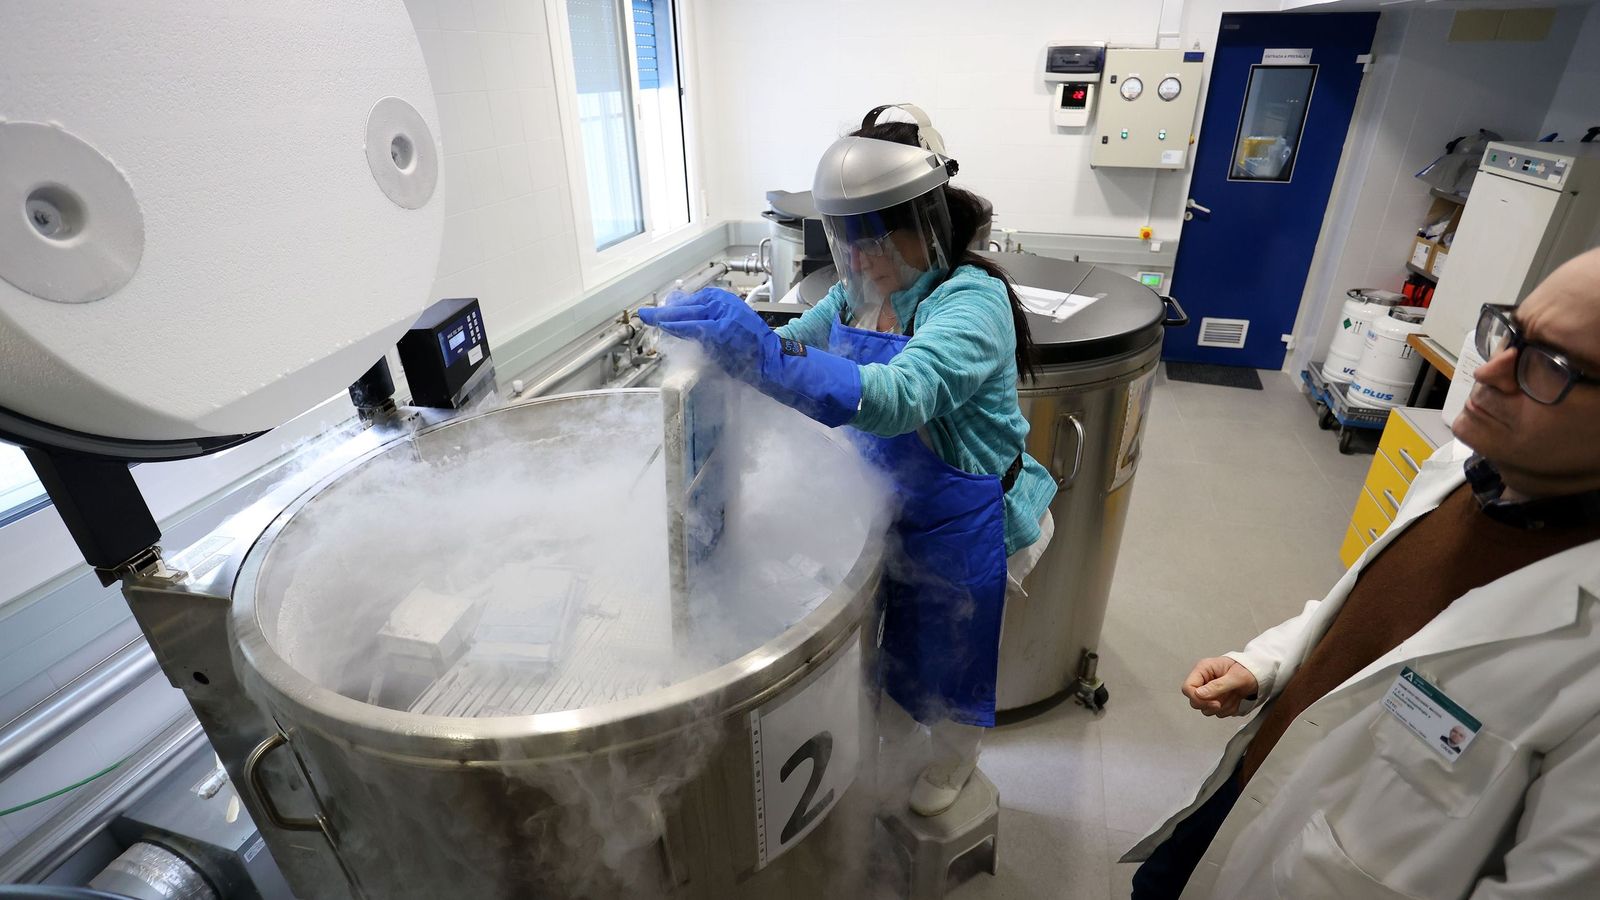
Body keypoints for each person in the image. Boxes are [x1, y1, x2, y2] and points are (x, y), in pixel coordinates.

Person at [1124, 247, 1600, 899]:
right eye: (1511, 332)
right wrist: (1268, 661)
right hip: (1241, 802)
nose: (1489, 370)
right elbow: (1372, 610)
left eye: (1552, 364)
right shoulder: (1469, 468)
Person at [637, 105, 1057, 816]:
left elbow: (899, 394)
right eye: (847, 243)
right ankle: (898, 736)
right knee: (898, 655)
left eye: (874, 244)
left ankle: (956, 758)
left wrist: (771, 357)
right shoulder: (856, 296)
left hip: (971, 520)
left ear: (925, 227)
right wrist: (726, 355)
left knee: (953, 652)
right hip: (898, 508)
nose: (857, 263)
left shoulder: (969, 303)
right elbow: (795, 348)